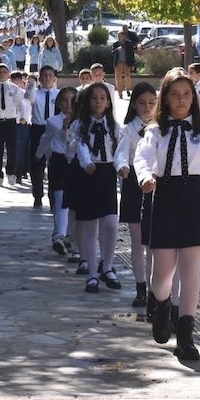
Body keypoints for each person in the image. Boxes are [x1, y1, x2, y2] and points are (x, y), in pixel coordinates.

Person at [135, 68, 200, 360]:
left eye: (187, 94)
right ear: (166, 98)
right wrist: (145, 176)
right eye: (175, 94)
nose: (182, 99)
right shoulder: (155, 130)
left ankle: (185, 335)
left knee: (191, 272)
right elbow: (143, 157)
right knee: (162, 274)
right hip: (165, 196)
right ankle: (161, 304)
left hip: (194, 198)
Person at [67, 82, 126, 293]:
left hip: (107, 174)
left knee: (110, 223)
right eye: (94, 98)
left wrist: (122, 166)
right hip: (88, 175)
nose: (98, 102)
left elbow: (120, 150)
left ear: (109, 102)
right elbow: (78, 146)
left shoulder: (113, 126)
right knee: (90, 227)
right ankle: (92, 273)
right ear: (87, 101)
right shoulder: (79, 126)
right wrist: (86, 163)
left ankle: (107, 266)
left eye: (103, 98)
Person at [119, 82, 157, 307]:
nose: (147, 107)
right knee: (137, 241)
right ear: (134, 104)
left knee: (154, 242)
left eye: (152, 103)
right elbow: (122, 153)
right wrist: (122, 167)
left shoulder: (161, 127)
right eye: (142, 103)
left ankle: (155, 288)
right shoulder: (128, 129)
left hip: (156, 185)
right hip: (134, 184)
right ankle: (140, 286)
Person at [35, 87, 78, 256]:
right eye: (65, 101)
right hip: (59, 162)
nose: (69, 105)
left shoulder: (82, 121)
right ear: (59, 103)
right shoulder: (53, 121)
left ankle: (70, 236)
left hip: (76, 163)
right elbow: (46, 139)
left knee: (73, 203)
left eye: (73, 101)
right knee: (61, 201)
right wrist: (39, 155)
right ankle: (59, 236)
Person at [29, 66, 59, 208]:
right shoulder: (35, 93)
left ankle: (53, 197)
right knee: (37, 164)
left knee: (54, 165)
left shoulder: (59, 95)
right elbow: (28, 97)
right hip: (38, 129)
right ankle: (37, 195)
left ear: (54, 78)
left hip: (54, 130)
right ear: (40, 78)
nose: (47, 78)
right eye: (44, 75)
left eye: (50, 75)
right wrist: (32, 82)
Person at [111, 30, 136, 99]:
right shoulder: (116, 44)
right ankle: (120, 93)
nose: (119, 37)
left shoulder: (128, 43)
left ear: (124, 36)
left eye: (120, 36)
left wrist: (133, 64)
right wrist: (117, 50)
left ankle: (128, 90)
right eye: (118, 36)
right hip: (118, 62)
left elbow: (132, 54)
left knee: (127, 77)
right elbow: (112, 52)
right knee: (118, 78)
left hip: (126, 62)